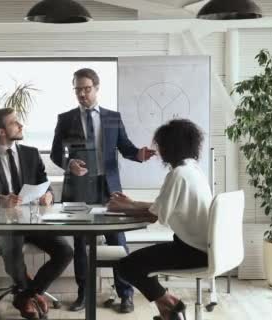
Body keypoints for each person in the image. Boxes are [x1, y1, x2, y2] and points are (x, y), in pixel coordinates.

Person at [50, 68, 156, 313]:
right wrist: (69, 164)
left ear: (96, 88)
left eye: (86, 89)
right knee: (80, 245)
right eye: (78, 89)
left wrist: (138, 154)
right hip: (78, 189)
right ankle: (83, 295)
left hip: (108, 188)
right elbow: (57, 153)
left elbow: (126, 147)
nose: (82, 94)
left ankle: (126, 294)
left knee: (117, 240)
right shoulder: (65, 119)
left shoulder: (112, 118)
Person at [0, 108, 73, 320]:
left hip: (32, 222)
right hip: (2, 225)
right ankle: (28, 294)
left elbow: (46, 184)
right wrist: (1, 200)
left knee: (65, 251)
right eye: (14, 122)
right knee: (13, 252)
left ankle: (26, 295)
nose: (20, 125)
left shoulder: (31, 153)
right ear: (1, 131)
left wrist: (48, 196)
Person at [108, 119, 212, 320]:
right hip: (201, 247)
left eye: (161, 145)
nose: (159, 150)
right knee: (142, 265)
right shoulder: (193, 169)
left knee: (127, 266)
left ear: (169, 147)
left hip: (193, 251)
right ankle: (167, 313)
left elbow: (154, 215)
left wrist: (124, 207)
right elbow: (160, 207)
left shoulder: (178, 174)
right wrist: (130, 203)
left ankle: (172, 302)